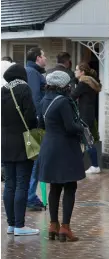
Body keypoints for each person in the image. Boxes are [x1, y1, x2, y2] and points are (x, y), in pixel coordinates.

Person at [38, 71, 85, 242]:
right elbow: (70, 127)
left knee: (55, 187)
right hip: (65, 149)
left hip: (49, 147)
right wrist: (81, 128)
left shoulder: (44, 100)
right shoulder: (64, 101)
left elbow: (41, 124)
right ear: (64, 85)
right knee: (70, 186)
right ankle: (65, 227)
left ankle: (52, 225)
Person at [1, 62, 40, 236]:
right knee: (22, 184)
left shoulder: (3, 90)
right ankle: (20, 225)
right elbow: (31, 117)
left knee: (9, 184)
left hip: (5, 142)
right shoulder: (24, 89)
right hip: (24, 142)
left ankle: (10, 224)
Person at [25, 47, 47, 211]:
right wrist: (41, 118)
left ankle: (29, 195)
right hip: (35, 124)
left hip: (33, 123)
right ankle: (30, 196)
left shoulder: (32, 71)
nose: (45, 58)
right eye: (44, 55)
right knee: (35, 160)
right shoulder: (33, 73)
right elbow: (35, 98)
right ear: (38, 58)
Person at [71, 62, 102, 174]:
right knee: (85, 141)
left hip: (84, 115)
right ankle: (82, 165)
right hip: (89, 115)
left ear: (82, 72)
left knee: (87, 141)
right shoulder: (90, 83)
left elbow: (72, 96)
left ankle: (94, 165)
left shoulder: (83, 84)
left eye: (76, 69)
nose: (75, 71)